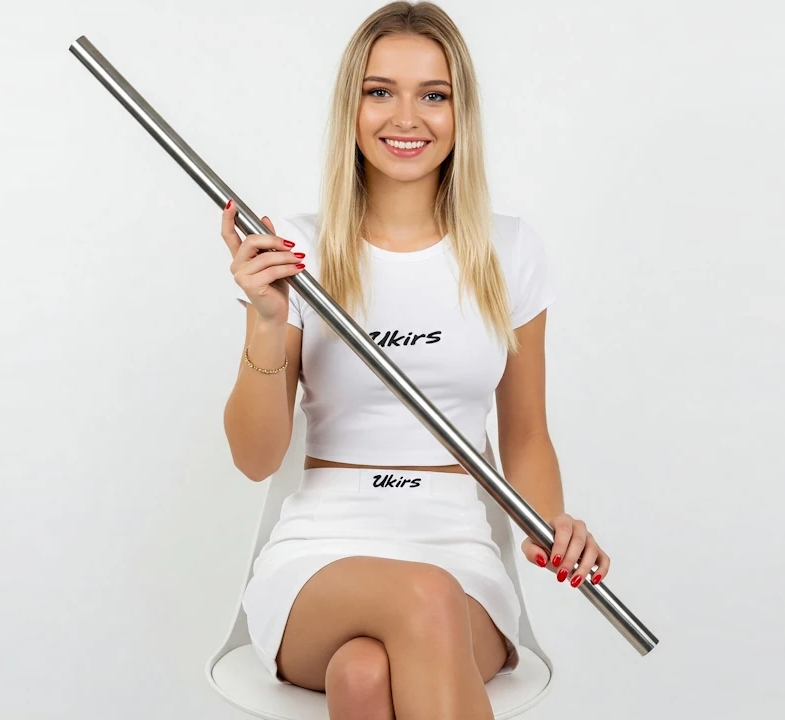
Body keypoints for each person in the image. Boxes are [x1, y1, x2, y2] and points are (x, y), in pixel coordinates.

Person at [220, 2, 610, 718]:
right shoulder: (296, 253)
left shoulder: (510, 252)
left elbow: (526, 434)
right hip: (320, 553)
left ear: (462, 113)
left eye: (434, 95)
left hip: (458, 548)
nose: (407, 117)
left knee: (363, 675)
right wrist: (267, 320)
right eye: (381, 91)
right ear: (352, 106)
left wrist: (549, 526)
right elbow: (254, 458)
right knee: (423, 596)